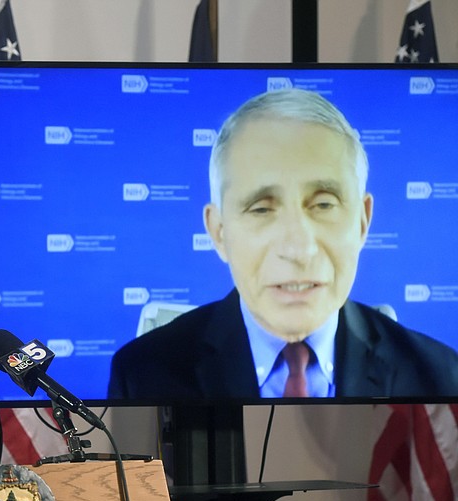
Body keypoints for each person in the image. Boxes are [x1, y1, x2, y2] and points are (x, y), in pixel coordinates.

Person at [109, 88, 458, 400]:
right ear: (218, 232)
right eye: (261, 208)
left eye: (323, 204)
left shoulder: (439, 376)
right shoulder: (143, 373)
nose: (298, 248)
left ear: (363, 221)